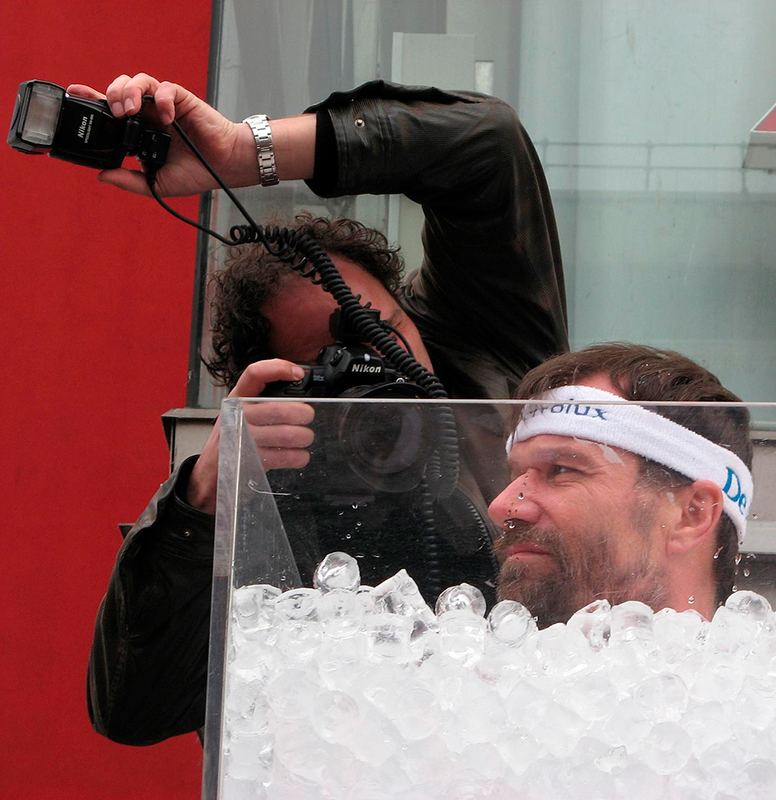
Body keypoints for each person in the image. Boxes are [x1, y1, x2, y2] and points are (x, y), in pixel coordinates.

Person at [71, 73, 568, 745]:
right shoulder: (259, 494)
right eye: (335, 363)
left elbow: (487, 144)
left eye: (384, 331)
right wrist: (207, 502)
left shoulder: (485, 360)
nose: (379, 367)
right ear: (280, 390)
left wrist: (245, 153)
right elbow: (134, 709)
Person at [489, 342, 753, 628]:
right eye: (515, 476)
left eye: (561, 469)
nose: (502, 506)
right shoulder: (458, 667)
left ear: (691, 513)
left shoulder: (759, 673)